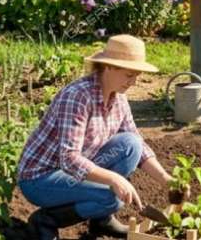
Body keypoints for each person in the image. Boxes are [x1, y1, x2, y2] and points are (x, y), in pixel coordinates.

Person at [17, 34, 173, 239]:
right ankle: (46, 220)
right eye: (129, 75)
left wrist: (166, 180)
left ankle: (101, 220)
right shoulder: (78, 96)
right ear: (108, 67)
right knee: (112, 197)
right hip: (41, 178)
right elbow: (69, 158)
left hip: (72, 170)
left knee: (131, 144)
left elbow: (139, 145)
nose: (134, 82)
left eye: (137, 75)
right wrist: (114, 179)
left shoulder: (119, 98)